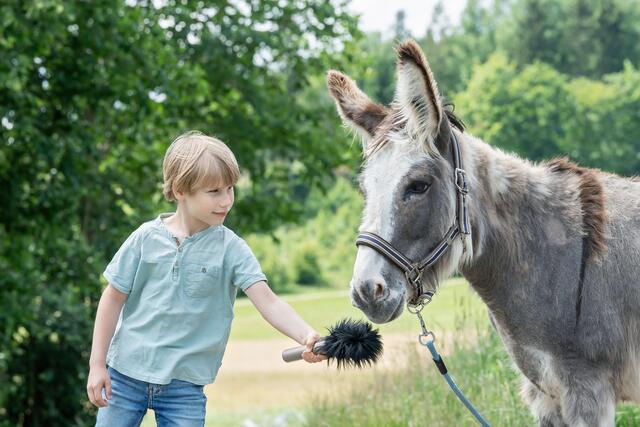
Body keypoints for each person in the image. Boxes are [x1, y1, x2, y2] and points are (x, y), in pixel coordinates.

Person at [87, 130, 326, 426]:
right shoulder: (144, 239)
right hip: (125, 377)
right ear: (179, 191)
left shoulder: (231, 248)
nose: (226, 200)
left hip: (184, 388)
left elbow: (268, 301)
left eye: (230, 189)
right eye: (214, 192)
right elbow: (112, 298)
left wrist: (306, 336)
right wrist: (97, 364)